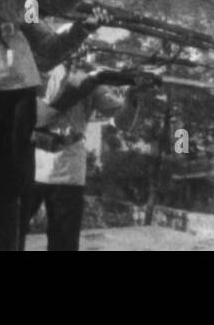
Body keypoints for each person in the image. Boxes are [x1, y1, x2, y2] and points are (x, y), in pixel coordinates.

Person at [26, 56, 152, 251]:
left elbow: (122, 122)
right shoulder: (37, 68)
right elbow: (38, 114)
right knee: (10, 231)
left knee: (64, 241)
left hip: (68, 167)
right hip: (31, 161)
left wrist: (131, 97)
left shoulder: (91, 78)